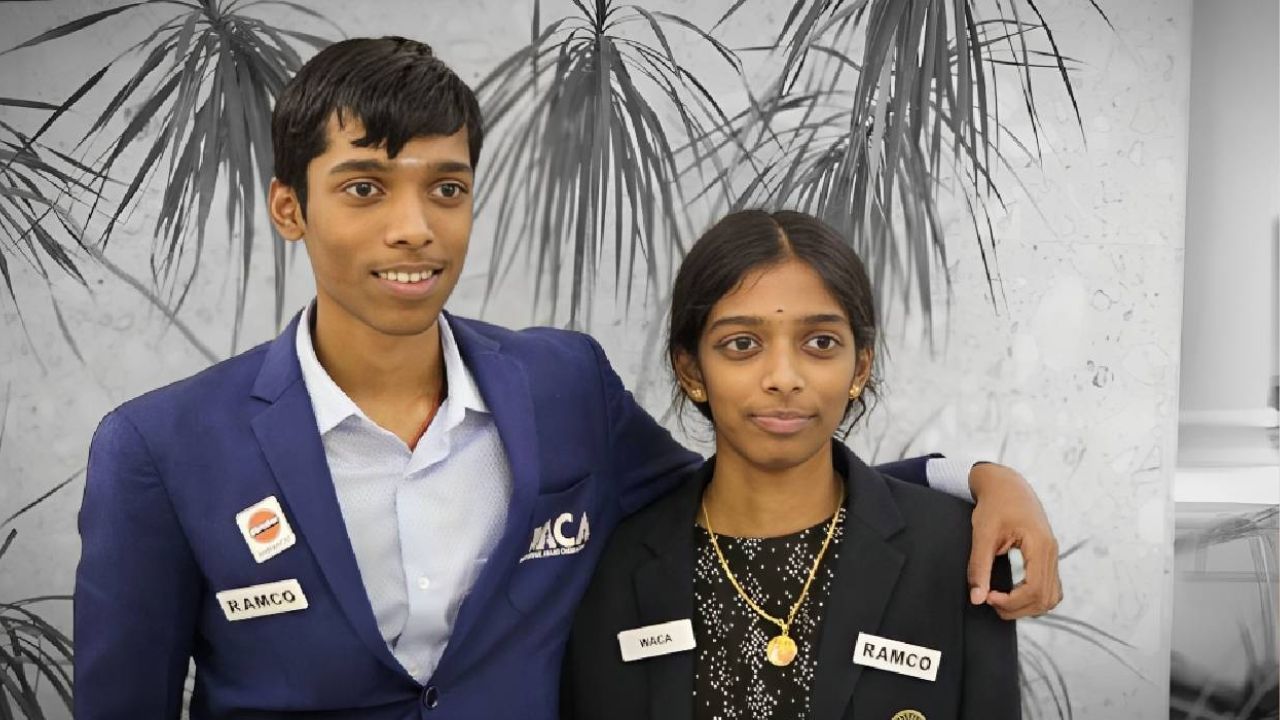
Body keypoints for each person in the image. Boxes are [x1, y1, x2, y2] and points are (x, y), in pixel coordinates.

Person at [74, 38, 1053, 719]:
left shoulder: (559, 387)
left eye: (445, 188)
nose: (413, 227)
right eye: (365, 187)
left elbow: (729, 479)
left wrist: (967, 477)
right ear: (290, 207)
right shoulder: (161, 448)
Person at [562, 210, 1021, 720]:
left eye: (820, 343)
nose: (783, 376)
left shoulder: (958, 554)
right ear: (691, 370)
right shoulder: (612, 567)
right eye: (742, 345)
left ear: (860, 366)